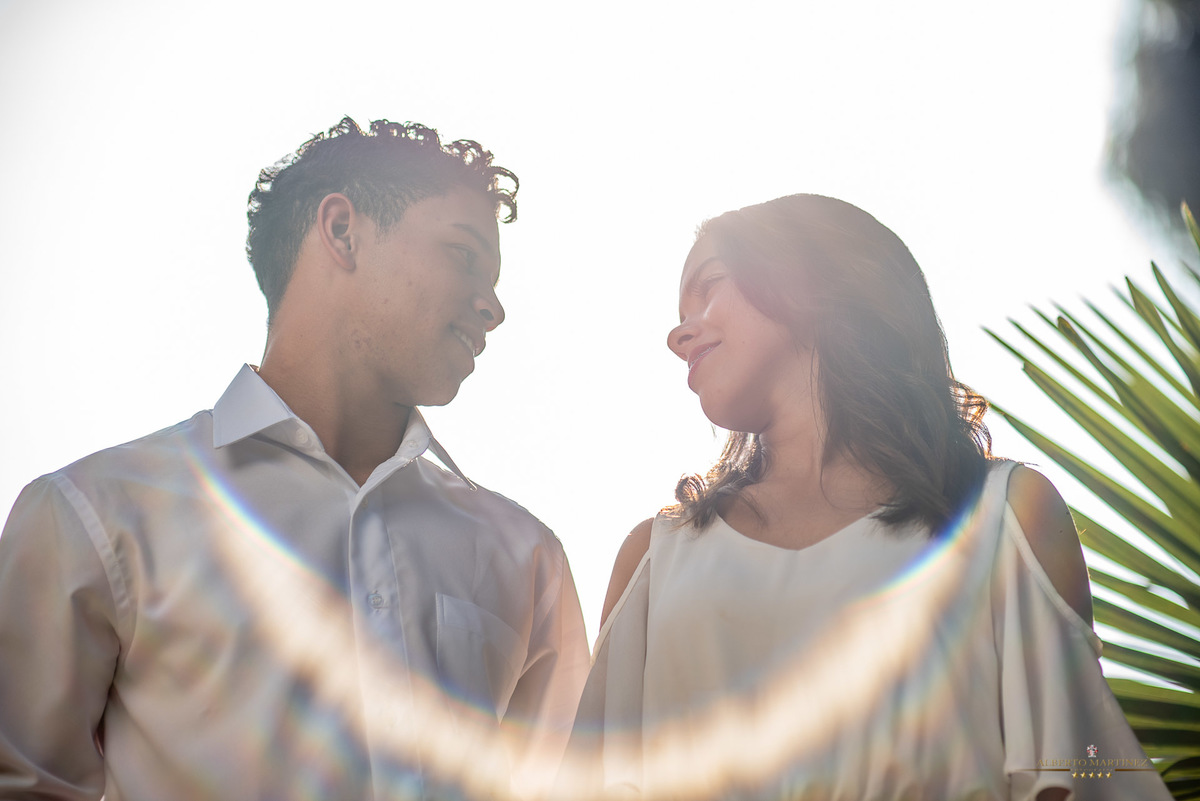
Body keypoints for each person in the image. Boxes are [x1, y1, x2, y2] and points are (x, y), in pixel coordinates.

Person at [0, 117, 590, 800]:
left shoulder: (528, 557)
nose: (494, 309)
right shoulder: (95, 515)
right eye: (463, 255)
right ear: (341, 230)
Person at [559, 194, 1170, 800]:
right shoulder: (653, 561)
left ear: (807, 280)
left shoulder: (1004, 517)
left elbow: (1074, 776)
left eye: (709, 285)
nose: (678, 334)